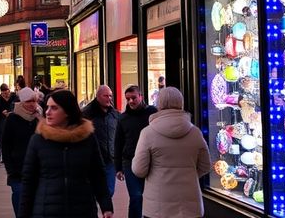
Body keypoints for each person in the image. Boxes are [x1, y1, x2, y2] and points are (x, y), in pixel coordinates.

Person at [20, 90, 113, 218]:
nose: (47, 112)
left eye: (54, 108)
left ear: (68, 112)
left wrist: (106, 206)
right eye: (47, 107)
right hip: (46, 211)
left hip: (82, 210)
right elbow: (28, 182)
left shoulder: (87, 138)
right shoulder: (38, 140)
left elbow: (98, 174)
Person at [131, 87, 210, 218]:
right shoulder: (195, 132)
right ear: (181, 103)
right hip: (190, 208)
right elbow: (206, 166)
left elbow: (139, 170)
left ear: (158, 104)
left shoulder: (148, 133)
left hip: (157, 207)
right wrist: (189, 174)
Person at [113, 85, 157, 218]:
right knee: (136, 196)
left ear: (141, 97)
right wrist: (118, 168)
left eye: (133, 98)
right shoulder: (123, 118)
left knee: (150, 196)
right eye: (128, 99)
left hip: (151, 160)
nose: (131, 101)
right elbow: (118, 142)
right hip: (130, 161)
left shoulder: (152, 113)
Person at [1, 87, 40, 217]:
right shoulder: (12, 119)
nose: (33, 104)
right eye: (29, 101)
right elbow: (5, 145)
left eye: (35, 101)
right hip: (18, 171)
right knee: (20, 204)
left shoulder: (39, 118)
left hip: (38, 172)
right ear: (22, 102)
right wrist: (10, 169)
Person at [82, 85, 120, 197]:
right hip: (92, 159)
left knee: (109, 191)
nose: (109, 98)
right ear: (98, 96)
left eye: (110, 96)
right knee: (92, 191)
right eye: (106, 95)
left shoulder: (115, 114)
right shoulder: (86, 114)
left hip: (110, 159)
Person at [0, 83, 18, 163]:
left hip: (14, 122)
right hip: (3, 123)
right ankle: (4, 158)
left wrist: (11, 112)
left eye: (7, 93)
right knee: (4, 141)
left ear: (9, 91)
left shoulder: (15, 97)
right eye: (3, 94)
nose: (6, 95)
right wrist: (2, 113)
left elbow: (18, 107)